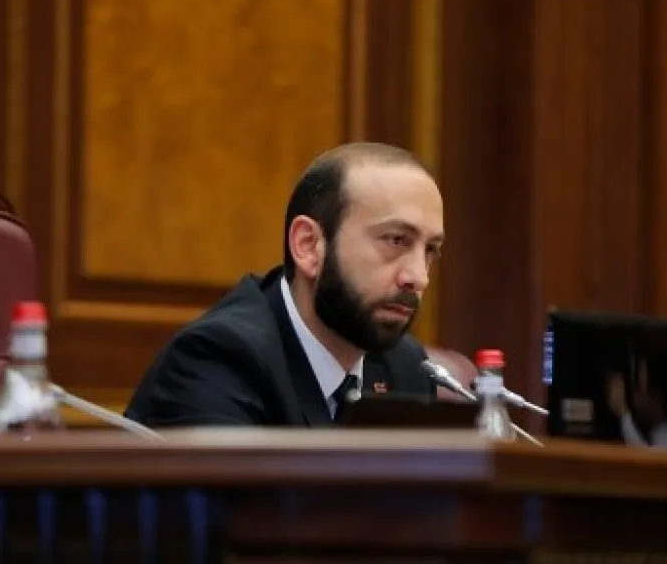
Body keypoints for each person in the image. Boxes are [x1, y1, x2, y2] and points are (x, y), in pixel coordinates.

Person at [124, 142, 445, 427]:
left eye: (430, 250)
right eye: (396, 240)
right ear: (309, 246)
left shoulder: (406, 368)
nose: (419, 277)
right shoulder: (219, 359)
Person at [606, 358, 667, 451]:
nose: (635, 396)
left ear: (656, 396)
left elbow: (645, 460)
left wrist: (623, 412)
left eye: (639, 388)